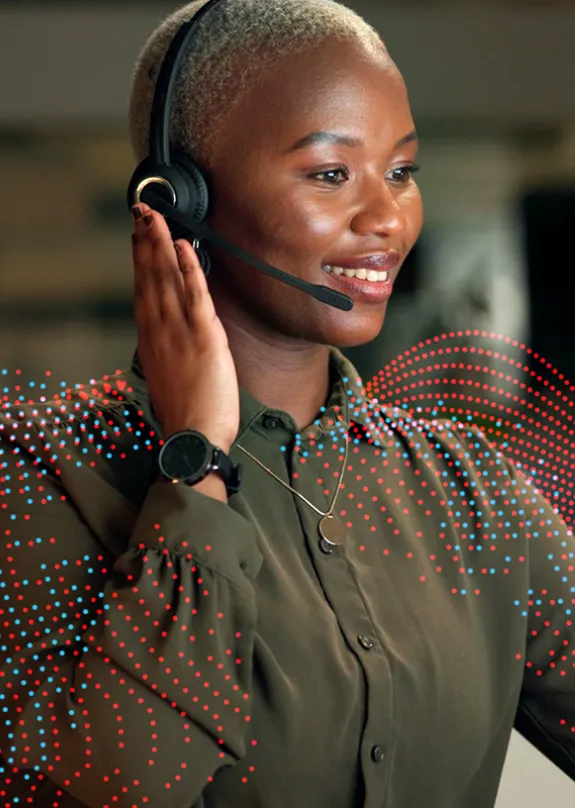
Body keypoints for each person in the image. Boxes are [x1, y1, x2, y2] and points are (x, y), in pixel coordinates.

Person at [1, 1, 574, 806]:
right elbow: (115, 790)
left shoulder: (470, 490)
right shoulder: (34, 477)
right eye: (330, 173)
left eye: (401, 172)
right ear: (179, 199)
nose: (386, 219)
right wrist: (195, 457)